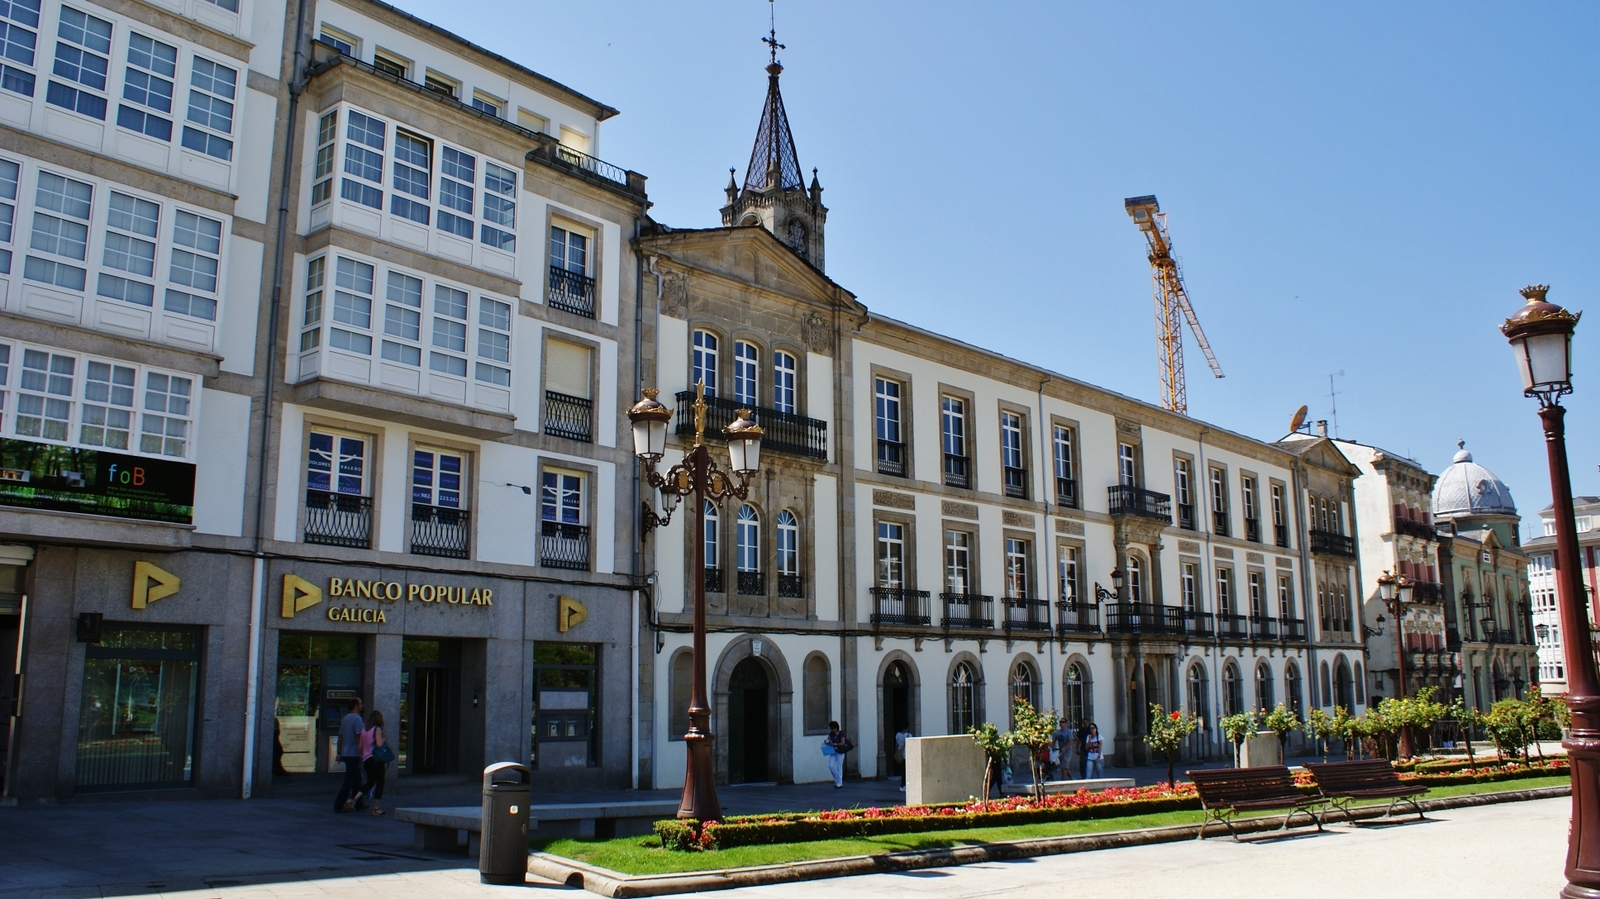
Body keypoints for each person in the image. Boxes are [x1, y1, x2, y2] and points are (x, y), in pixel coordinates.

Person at [333, 697, 365, 813]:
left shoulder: (345, 718)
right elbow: (359, 737)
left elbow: (340, 736)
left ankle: (359, 803)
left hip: (346, 752)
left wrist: (339, 752)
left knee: (357, 779)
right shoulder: (357, 719)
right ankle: (339, 804)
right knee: (349, 781)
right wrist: (363, 752)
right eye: (360, 703)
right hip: (354, 753)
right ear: (356, 705)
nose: (362, 705)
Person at [360, 709, 388, 816]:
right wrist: (383, 738)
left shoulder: (365, 730)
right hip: (376, 759)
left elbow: (360, 746)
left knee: (370, 782)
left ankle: (353, 799)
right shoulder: (377, 729)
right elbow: (379, 744)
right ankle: (376, 808)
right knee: (380, 782)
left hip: (366, 758)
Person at [824, 720, 851, 788]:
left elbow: (843, 743)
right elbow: (828, 739)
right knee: (831, 766)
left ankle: (839, 783)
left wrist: (834, 744)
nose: (832, 730)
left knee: (839, 767)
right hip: (833, 752)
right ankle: (837, 779)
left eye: (833, 728)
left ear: (836, 728)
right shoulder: (831, 734)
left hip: (840, 752)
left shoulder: (841, 733)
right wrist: (827, 741)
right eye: (831, 728)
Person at [893, 723, 912, 791]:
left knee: (902, 770)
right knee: (906, 772)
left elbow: (896, 745)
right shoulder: (909, 735)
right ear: (907, 727)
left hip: (900, 754)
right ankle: (905, 785)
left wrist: (896, 753)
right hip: (906, 755)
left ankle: (902, 786)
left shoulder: (898, 735)